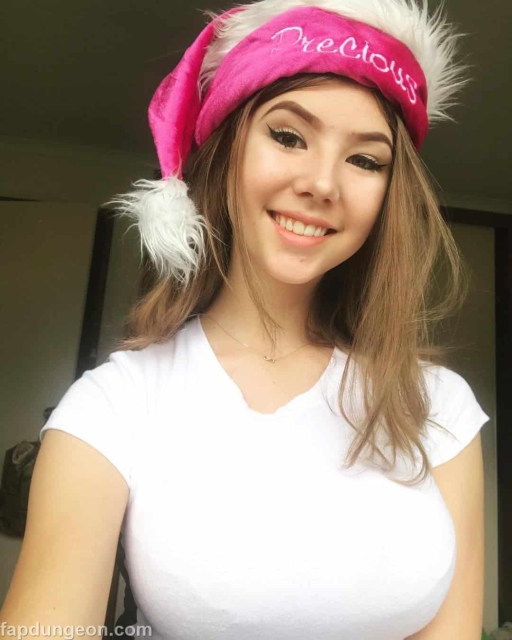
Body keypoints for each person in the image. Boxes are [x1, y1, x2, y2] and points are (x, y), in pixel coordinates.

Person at [0, 0, 490, 639]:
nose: (322, 183)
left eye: (366, 160)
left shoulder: (439, 406)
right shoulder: (116, 405)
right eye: (288, 136)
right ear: (228, 150)